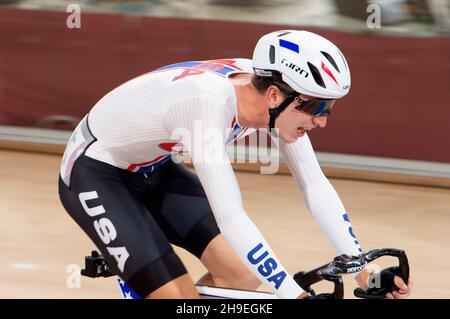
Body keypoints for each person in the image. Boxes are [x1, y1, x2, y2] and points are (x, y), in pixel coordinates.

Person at [58, 30, 412, 299]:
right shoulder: (205, 105)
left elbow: (314, 185)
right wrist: (291, 293)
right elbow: (231, 215)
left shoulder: (269, 94)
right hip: (96, 173)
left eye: (329, 109)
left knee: (241, 277)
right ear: (275, 95)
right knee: (177, 299)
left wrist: (362, 269)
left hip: (152, 168)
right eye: (317, 108)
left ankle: (141, 261)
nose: (322, 121)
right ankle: (137, 269)